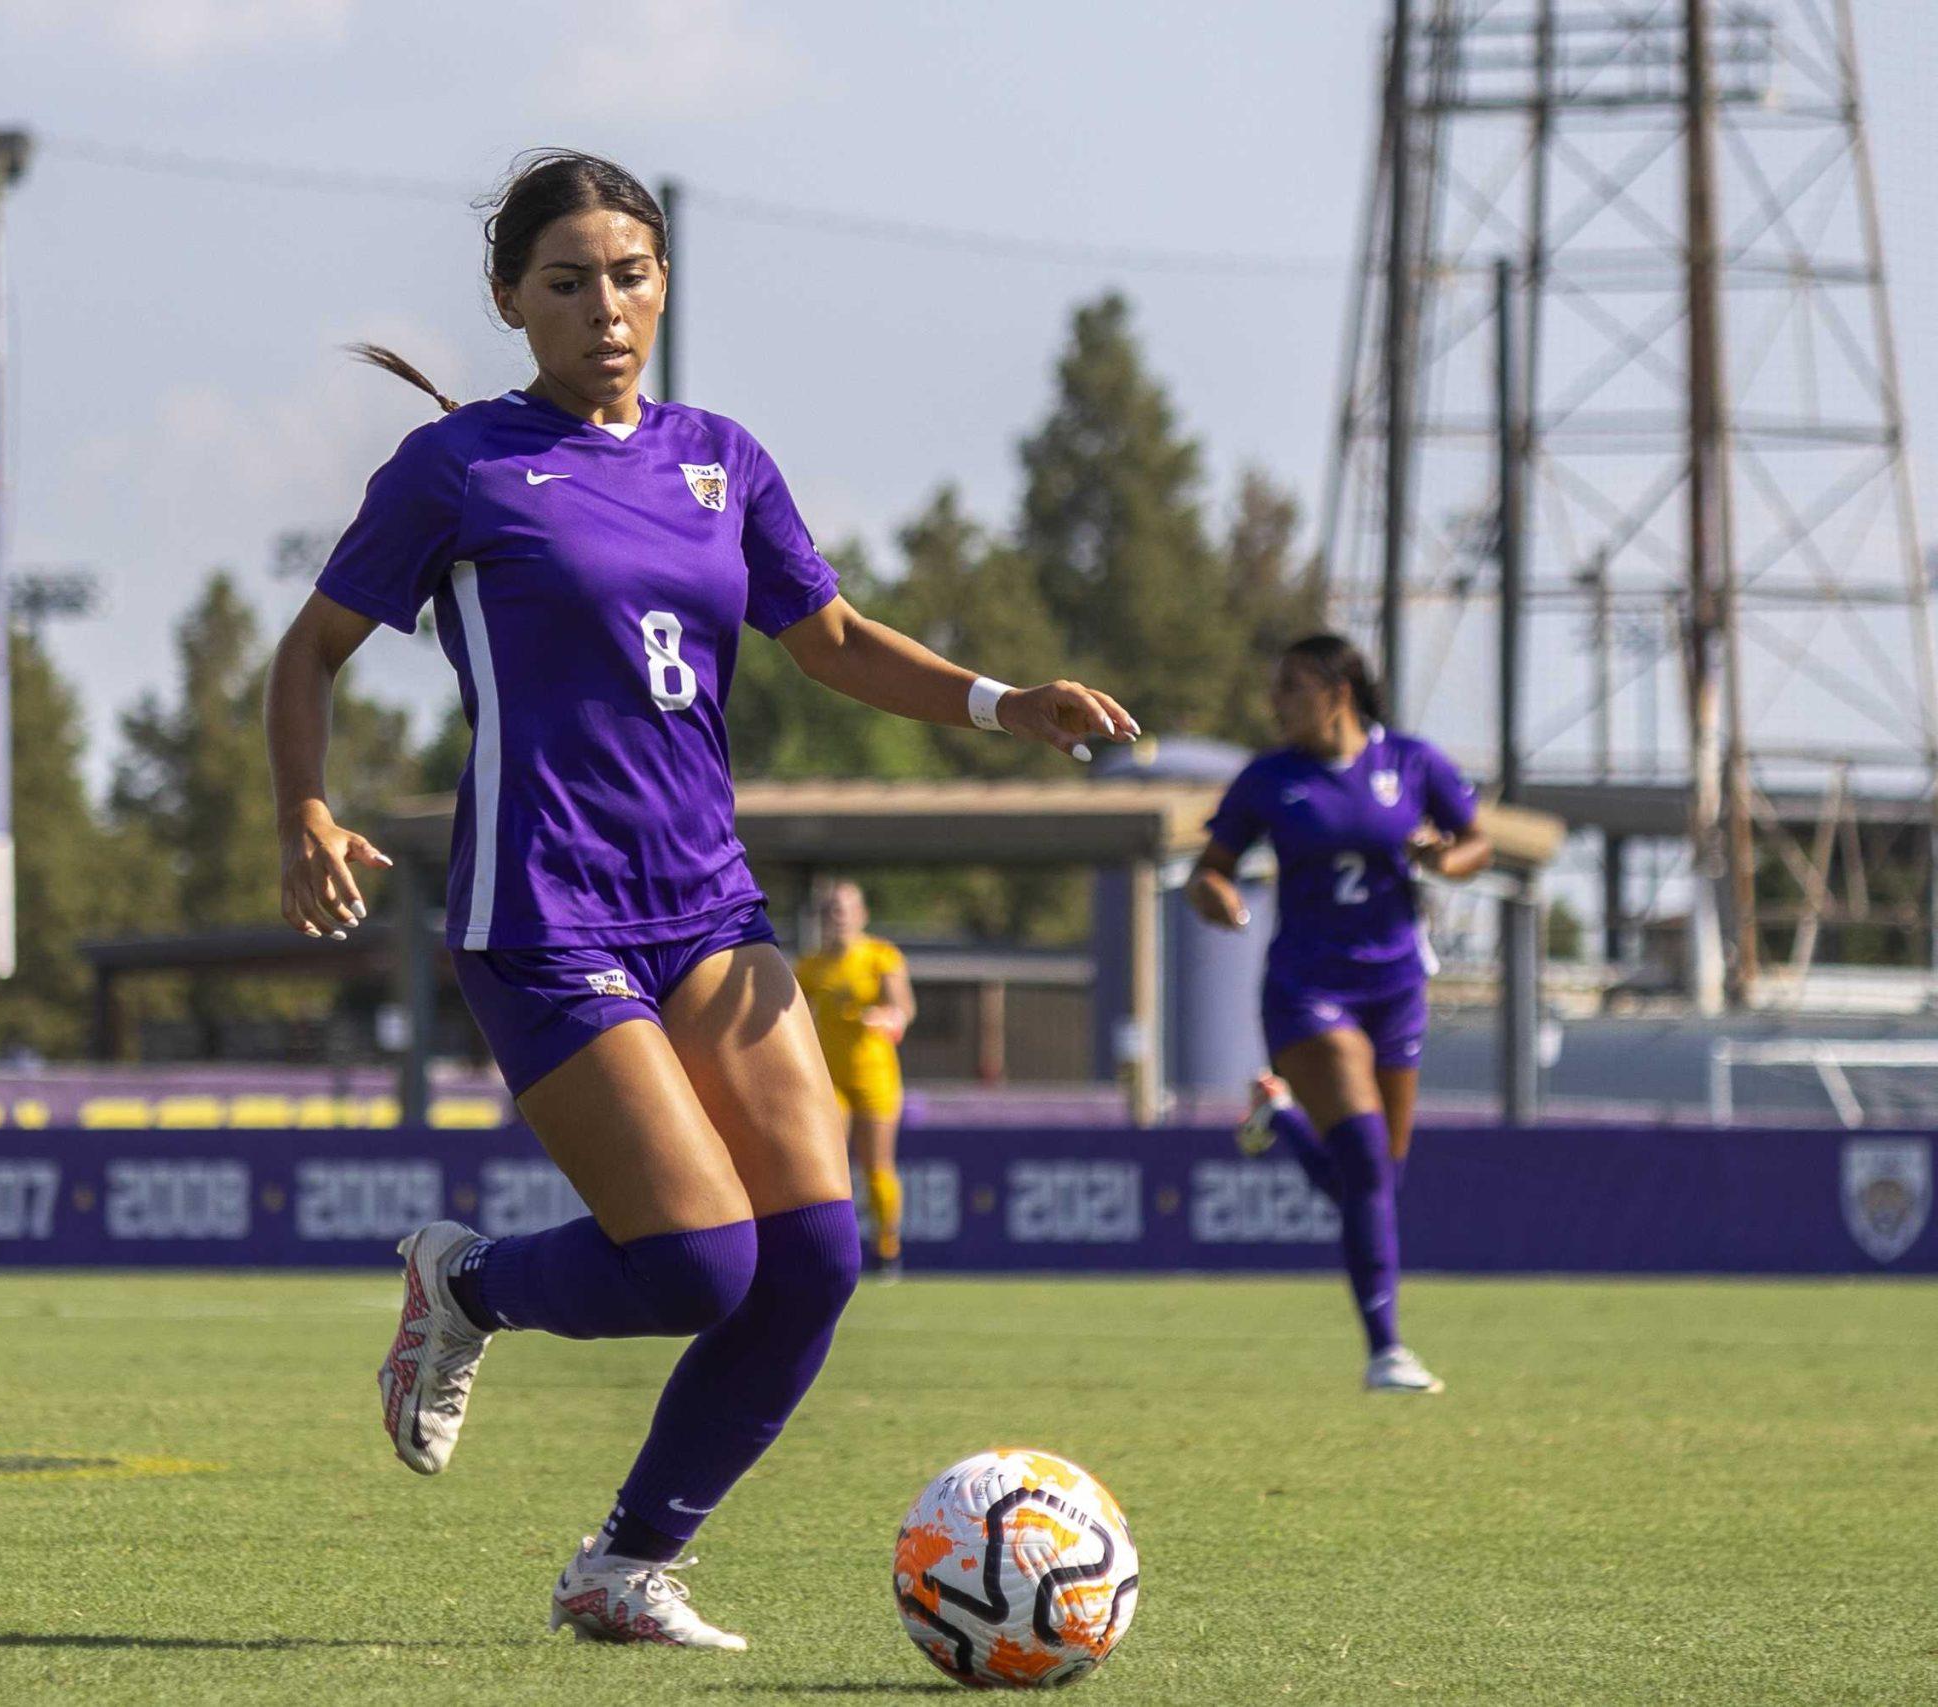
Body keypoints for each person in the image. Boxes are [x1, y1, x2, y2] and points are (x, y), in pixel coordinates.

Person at [264, 149, 1138, 1651]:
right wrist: (305, 809)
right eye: (568, 281)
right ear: (508, 300)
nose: (607, 306)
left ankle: (625, 1563)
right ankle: (465, 1281)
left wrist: (1006, 702)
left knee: (811, 1255)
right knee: (694, 1259)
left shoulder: (720, 456)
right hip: (543, 910)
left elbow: (837, 636)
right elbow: (307, 652)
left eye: (632, 274)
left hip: (707, 911)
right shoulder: (457, 470)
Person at [1186, 634, 1490, 1395]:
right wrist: (1216, 897)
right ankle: (1385, 1349)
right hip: (1307, 989)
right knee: (1362, 1161)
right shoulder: (1268, 778)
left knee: (1378, 1172)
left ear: (1337, 693)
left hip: (1395, 987)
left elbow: (1476, 841)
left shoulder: (1413, 762)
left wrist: (1442, 859)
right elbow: (1209, 870)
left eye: (1290, 686)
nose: (1276, 702)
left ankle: (1281, 1118)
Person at [795, 882, 916, 1279]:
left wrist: (887, 1018)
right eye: (832, 910)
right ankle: (833, 1252)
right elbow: (793, 1018)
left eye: (846, 909)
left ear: (862, 915)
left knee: (876, 1165)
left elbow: (903, 1007)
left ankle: (887, 1246)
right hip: (830, 1077)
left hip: (874, 1074)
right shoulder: (810, 967)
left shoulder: (881, 956)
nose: (839, 917)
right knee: (829, 1169)